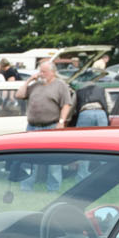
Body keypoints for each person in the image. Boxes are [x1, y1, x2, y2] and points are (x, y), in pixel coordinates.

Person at [16, 61, 74, 191]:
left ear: (52, 72)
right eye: (40, 71)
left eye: (44, 72)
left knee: (53, 160)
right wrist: (29, 80)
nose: (41, 74)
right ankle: (26, 188)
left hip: (51, 126)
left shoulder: (60, 85)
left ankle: (53, 189)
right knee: (29, 159)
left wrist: (61, 121)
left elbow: (66, 104)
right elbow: (19, 95)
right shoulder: (35, 85)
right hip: (32, 127)